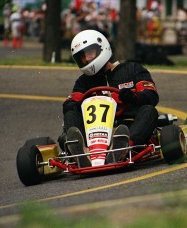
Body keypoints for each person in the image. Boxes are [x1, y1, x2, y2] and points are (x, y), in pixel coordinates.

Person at [59, 29, 159, 167]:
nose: (87, 59)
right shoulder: (84, 82)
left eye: (89, 53)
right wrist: (78, 104)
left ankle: (123, 147)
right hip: (94, 133)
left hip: (129, 125)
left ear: (102, 48)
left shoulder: (132, 69)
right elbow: (69, 104)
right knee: (71, 115)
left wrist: (133, 97)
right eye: (82, 57)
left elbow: (151, 95)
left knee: (149, 110)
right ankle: (81, 152)